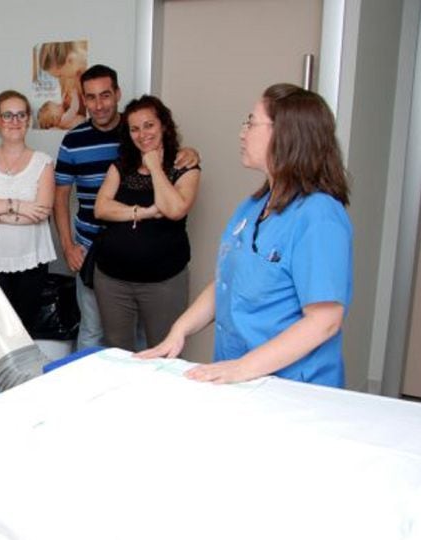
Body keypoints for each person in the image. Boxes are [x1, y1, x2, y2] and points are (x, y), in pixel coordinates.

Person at [139, 84, 352, 388]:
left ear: (286, 134)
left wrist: (242, 368)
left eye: (251, 123)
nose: (242, 133)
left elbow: (324, 321)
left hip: (292, 385)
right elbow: (227, 280)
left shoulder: (319, 215)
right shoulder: (252, 208)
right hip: (241, 375)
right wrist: (180, 330)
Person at [53, 65, 200, 350]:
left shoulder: (135, 128)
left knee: (151, 341)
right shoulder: (74, 141)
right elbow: (62, 198)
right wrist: (68, 246)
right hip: (91, 253)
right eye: (91, 97)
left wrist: (187, 153)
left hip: (158, 269)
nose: (98, 105)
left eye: (105, 95)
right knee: (94, 332)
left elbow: (172, 176)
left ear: (117, 94)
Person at [92, 95, 200, 350]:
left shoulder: (185, 166)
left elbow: (174, 209)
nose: (142, 134)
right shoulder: (121, 166)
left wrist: (154, 165)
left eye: (149, 125)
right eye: (135, 129)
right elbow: (101, 208)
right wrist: (145, 212)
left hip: (163, 282)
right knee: (117, 353)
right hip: (112, 279)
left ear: (163, 125)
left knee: (163, 352)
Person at [0, 90, 57, 330]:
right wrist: (17, 205)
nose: (14, 121)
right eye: (7, 115)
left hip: (30, 260)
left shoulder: (43, 162)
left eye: (20, 115)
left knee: (22, 329)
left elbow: (41, 213)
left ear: (28, 120)